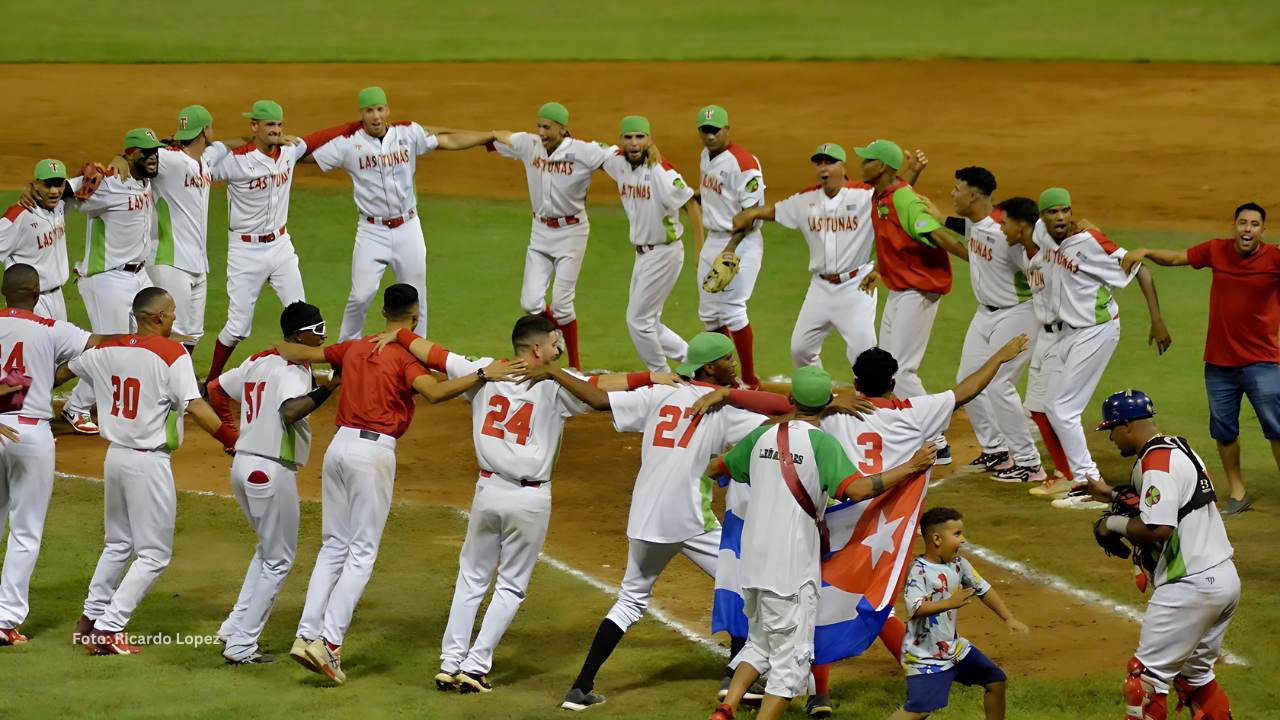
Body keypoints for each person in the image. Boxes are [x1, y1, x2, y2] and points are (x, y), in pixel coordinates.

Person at [386, 314, 678, 694]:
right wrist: (652, 377)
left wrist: (400, 334)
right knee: (510, 585)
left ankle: (450, 662)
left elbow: (438, 356)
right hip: (529, 498)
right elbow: (603, 387)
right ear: (537, 348)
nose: (560, 350)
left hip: (487, 491)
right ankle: (474, 668)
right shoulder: (558, 385)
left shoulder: (485, 370)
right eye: (556, 343)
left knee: (471, 578)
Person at [275, 283, 524, 684]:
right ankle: (329, 645)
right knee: (361, 552)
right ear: (415, 315)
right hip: (372, 454)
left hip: (337, 448)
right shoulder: (404, 357)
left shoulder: (354, 347)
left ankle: (307, 634)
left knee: (334, 545)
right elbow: (438, 392)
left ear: (382, 313)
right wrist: (482, 373)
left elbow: (293, 351)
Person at [557, 332, 791, 711]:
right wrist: (732, 396)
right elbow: (787, 410)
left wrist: (553, 372)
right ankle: (737, 677)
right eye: (728, 359)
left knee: (630, 599)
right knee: (746, 580)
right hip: (689, 519)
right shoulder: (723, 408)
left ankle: (580, 688)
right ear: (711, 367)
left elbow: (598, 399)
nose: (735, 366)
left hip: (645, 517)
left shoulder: (660, 392)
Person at [706, 366, 937, 720]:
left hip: (751, 565)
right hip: (791, 570)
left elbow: (718, 468)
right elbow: (857, 489)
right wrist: (910, 468)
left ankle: (726, 708)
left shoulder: (760, 437)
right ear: (829, 402)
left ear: (790, 400)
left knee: (760, 643)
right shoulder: (822, 444)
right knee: (791, 663)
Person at [62, 287, 237, 655]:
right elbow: (196, 407)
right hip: (147, 461)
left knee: (118, 544)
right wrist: (230, 439)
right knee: (154, 554)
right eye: (171, 312)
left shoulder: (105, 349)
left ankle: (90, 620)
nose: (175, 318)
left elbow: (63, 370)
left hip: (115, 458)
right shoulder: (172, 354)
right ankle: (110, 628)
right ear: (157, 317)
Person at [1088, 390, 1237, 720]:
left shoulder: (1155, 464)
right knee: (1196, 678)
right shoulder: (1179, 448)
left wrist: (1110, 524)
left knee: (1144, 680)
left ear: (1127, 426)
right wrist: (1109, 495)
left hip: (1190, 586)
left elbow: (1158, 529)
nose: (1111, 438)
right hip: (1223, 578)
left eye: (1111, 429)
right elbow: (1176, 499)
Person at [310, 86, 500, 341]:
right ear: (362, 114)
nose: (376, 116)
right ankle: (345, 353)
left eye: (379, 109)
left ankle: (416, 354)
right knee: (360, 295)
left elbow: (447, 141)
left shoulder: (407, 134)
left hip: (408, 227)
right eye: (369, 111)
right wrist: (280, 148)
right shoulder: (348, 144)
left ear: (387, 110)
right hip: (371, 231)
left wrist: (488, 136)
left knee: (416, 294)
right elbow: (307, 156)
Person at [206, 302, 339, 665]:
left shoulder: (258, 361)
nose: (324, 336)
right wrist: (330, 388)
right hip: (269, 470)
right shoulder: (293, 370)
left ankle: (233, 627)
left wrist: (231, 436)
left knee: (267, 551)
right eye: (319, 328)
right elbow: (290, 411)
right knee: (279, 560)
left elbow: (216, 388)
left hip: (244, 466)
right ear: (299, 335)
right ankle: (242, 646)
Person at [1121, 202, 1275, 514]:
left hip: (1263, 361)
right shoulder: (1217, 250)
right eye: (1242, 222)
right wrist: (1146, 251)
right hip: (1219, 363)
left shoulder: (1275, 258)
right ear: (1234, 226)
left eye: (1254, 224)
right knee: (1224, 430)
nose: (1247, 229)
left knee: (1277, 428)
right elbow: (1177, 258)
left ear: (1262, 230)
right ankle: (1237, 491)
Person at [1029, 188, 1171, 505]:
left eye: (1066, 210)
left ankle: (1087, 484)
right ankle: (1079, 479)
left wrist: (1157, 320)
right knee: (1051, 405)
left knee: (1063, 408)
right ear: (1043, 217)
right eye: (1054, 212)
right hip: (1067, 333)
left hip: (1097, 330)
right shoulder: (1042, 233)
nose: (1061, 218)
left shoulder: (1090, 242)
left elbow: (1142, 271)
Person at [201, 100, 351, 388]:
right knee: (237, 328)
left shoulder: (289, 152)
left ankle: (304, 378)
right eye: (270, 125)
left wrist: (351, 126)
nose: (277, 130)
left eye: (279, 125)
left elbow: (317, 138)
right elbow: (197, 169)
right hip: (245, 251)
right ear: (254, 126)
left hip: (281, 246)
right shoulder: (234, 162)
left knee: (303, 316)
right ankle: (211, 383)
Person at [855, 140, 967, 464]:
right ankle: (906, 429)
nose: (861, 165)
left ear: (883, 167)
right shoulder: (884, 195)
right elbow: (895, 216)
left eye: (868, 161)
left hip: (919, 291)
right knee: (889, 363)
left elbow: (936, 234)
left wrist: (974, 258)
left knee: (902, 370)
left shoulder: (903, 199)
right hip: (900, 289)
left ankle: (937, 441)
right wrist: (880, 268)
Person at [0, 264, 95, 645]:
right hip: (31, 433)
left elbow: (10, 385)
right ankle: (4, 620)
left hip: (1, 420)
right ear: (37, 293)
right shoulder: (51, 328)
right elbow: (97, 345)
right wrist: (66, 368)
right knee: (25, 530)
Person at [731, 143, 879, 370]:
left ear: (843, 166)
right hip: (820, 287)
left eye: (829, 162)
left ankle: (870, 400)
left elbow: (894, 196)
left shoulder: (865, 195)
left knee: (865, 354)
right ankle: (817, 393)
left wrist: (914, 173)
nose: (823, 168)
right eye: (819, 163)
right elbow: (776, 211)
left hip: (856, 286)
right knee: (800, 349)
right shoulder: (805, 199)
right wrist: (753, 212)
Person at [489, 102, 616, 369]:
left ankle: (576, 367)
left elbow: (617, 156)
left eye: (547, 127)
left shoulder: (584, 151)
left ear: (563, 128)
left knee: (562, 304)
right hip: (540, 231)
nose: (541, 132)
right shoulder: (530, 144)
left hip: (572, 232)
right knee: (530, 302)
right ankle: (556, 339)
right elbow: (495, 137)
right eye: (539, 126)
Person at [61, 129, 169, 434]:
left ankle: (125, 399)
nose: (153, 157)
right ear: (131, 154)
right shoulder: (110, 182)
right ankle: (77, 406)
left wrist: (121, 158)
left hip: (138, 276)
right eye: (145, 152)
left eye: (155, 152)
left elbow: (177, 146)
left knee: (143, 342)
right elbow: (63, 190)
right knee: (111, 349)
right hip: (107, 278)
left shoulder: (144, 179)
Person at [942, 168, 1044, 481]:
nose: (952, 194)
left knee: (999, 384)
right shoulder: (976, 222)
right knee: (968, 381)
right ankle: (995, 450)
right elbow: (969, 227)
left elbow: (1039, 269)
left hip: (1018, 313)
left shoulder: (1008, 234)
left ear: (973, 195)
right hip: (984, 314)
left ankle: (1029, 463)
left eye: (957, 189)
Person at [888, 507, 1027, 720]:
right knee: (919, 711)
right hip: (926, 656)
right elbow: (916, 609)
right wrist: (949, 602)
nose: (963, 540)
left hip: (954, 649)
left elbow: (984, 589)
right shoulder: (919, 570)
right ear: (936, 539)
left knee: (996, 680)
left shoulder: (959, 564)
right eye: (957, 534)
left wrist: (1009, 618)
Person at [601, 115, 703, 371]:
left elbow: (691, 203)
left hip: (664, 253)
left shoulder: (662, 173)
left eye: (640, 137)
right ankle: (697, 362)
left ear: (649, 139)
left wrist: (700, 249)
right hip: (643, 255)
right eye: (628, 137)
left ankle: (662, 376)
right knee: (649, 321)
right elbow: (593, 152)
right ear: (621, 141)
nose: (634, 143)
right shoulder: (617, 162)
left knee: (638, 321)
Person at [995, 197, 1074, 484]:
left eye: (1005, 222)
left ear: (1023, 225)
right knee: (1038, 408)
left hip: (1070, 334)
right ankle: (1063, 472)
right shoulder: (1024, 252)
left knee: (1057, 408)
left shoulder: (1053, 247)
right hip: (1047, 335)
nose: (1001, 228)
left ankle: (1076, 475)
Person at [693, 105, 766, 388]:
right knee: (710, 313)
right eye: (705, 130)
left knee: (733, 310)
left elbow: (753, 213)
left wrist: (730, 249)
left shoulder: (744, 164)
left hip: (740, 242)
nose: (710, 136)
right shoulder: (705, 156)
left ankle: (749, 379)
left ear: (727, 130)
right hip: (714, 239)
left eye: (715, 130)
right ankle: (724, 377)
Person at [0, 160, 73, 321]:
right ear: (35, 184)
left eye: (58, 184)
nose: (54, 191)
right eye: (48, 185)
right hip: (29, 302)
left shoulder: (62, 202)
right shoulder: (19, 215)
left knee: (62, 346)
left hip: (58, 298)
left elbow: (91, 175)